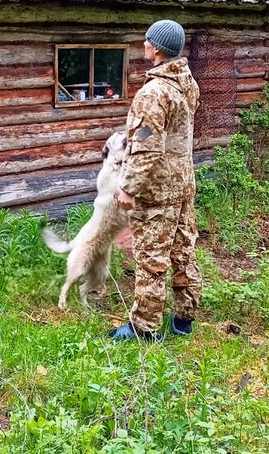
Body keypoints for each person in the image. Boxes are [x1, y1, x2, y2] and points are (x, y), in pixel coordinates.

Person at [111, 19, 202, 341]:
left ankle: (145, 328)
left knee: (151, 259)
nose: (144, 44)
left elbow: (146, 146)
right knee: (183, 251)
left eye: (148, 40)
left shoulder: (153, 93)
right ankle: (184, 318)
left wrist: (128, 187)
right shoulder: (187, 83)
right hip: (183, 184)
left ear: (158, 49)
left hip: (157, 190)